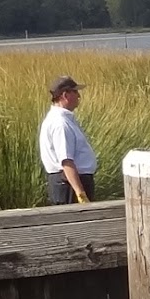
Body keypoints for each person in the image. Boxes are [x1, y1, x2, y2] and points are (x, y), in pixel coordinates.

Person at [38, 75, 97, 204]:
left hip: (70, 183)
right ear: (65, 95)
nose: (79, 96)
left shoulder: (62, 120)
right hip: (69, 185)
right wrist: (81, 194)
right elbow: (66, 162)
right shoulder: (60, 124)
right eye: (75, 92)